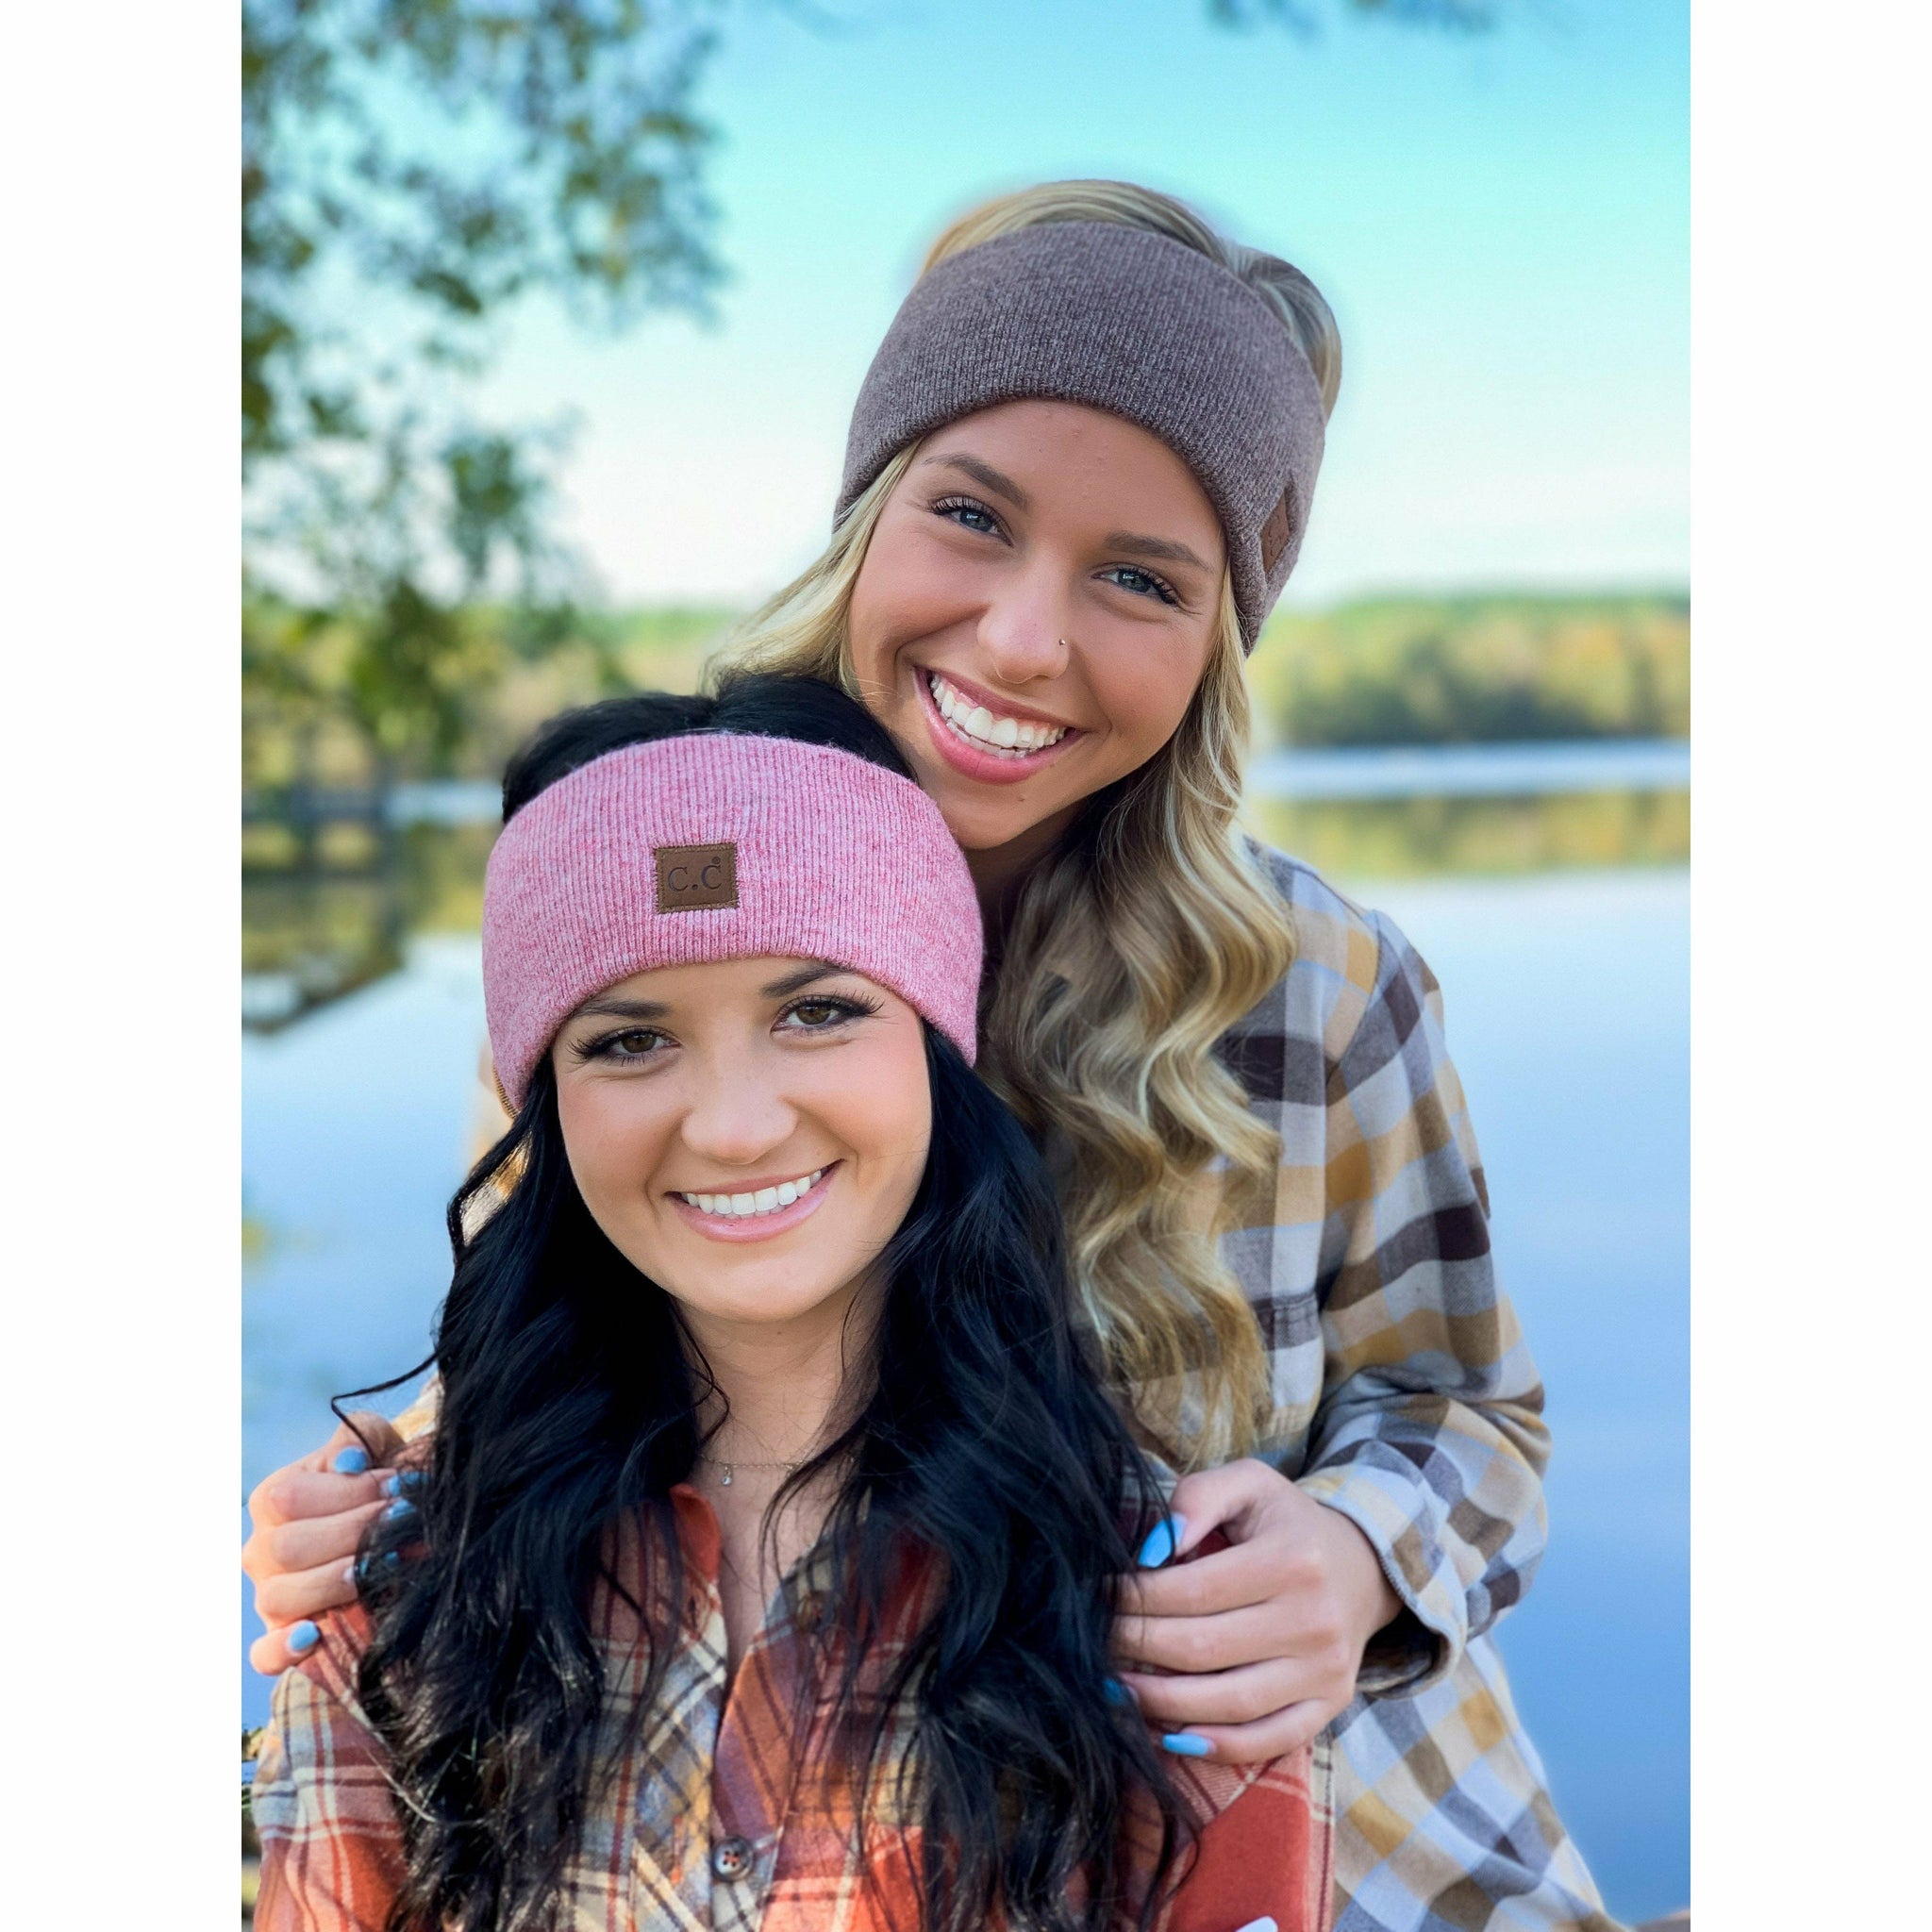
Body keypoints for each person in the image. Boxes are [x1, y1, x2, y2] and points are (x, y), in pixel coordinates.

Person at [246, 181, 1619, 1932]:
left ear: (1219, 645)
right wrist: (369, 1507)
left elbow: (1473, 1415)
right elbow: (556, 1340)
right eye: (972, 516)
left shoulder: (1319, 986)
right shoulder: (624, 901)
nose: (1028, 638)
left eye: (1142, 578)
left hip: (1324, 1853)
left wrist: (1359, 1557)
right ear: (866, 517)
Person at [249, 676, 1333, 1932]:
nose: (734, 1125)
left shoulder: (1188, 1625)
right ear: (542, 1103)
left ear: (936, 1050)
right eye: (629, 1040)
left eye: (818, 1012)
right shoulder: (400, 1601)